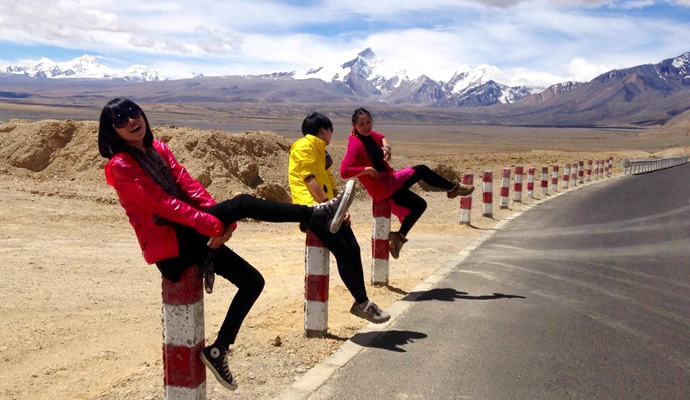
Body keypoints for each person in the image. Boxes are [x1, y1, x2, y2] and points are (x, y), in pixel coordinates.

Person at [98, 98, 353, 391]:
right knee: (242, 202)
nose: (131, 121)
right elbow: (164, 205)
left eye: (133, 112)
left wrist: (224, 222)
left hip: (191, 235)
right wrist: (213, 223)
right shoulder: (120, 166)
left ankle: (218, 350)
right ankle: (317, 213)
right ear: (112, 132)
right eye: (120, 120)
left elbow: (189, 187)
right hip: (170, 245)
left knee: (253, 281)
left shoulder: (159, 149)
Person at [288, 112, 391, 324]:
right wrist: (329, 205)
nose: (331, 135)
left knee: (353, 248)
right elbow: (309, 179)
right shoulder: (303, 146)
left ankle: (363, 302)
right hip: (313, 208)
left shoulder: (321, 150)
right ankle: (362, 303)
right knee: (343, 251)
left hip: (328, 207)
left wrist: (340, 205)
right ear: (323, 130)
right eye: (330, 130)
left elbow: (330, 180)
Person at [340, 107, 474, 259]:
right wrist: (367, 169)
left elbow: (382, 137)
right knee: (421, 170)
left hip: (388, 182)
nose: (366, 127)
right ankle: (452, 188)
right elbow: (344, 171)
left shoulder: (370, 136)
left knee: (420, 205)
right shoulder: (355, 144)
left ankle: (399, 237)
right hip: (382, 186)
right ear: (354, 126)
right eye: (361, 124)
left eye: (369, 122)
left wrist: (386, 147)